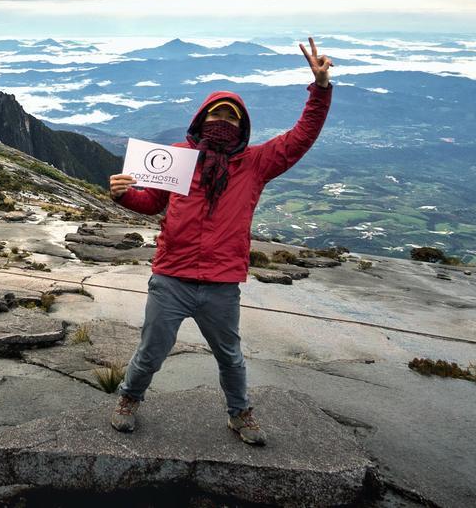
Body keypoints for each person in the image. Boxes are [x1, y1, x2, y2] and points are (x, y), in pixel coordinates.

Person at [107, 37, 334, 445]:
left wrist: (320, 89)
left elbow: (301, 137)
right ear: (201, 119)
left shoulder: (255, 164)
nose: (224, 122)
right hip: (172, 277)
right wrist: (124, 195)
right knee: (151, 352)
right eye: (218, 115)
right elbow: (151, 202)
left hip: (221, 282)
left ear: (242, 127)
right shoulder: (179, 156)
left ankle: (239, 413)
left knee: (230, 356)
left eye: (232, 118)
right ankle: (128, 398)